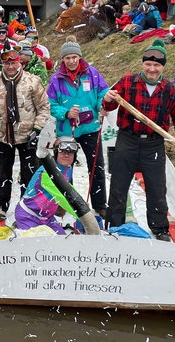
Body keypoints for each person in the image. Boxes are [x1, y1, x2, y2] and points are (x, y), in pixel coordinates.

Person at [101, 39, 175, 242]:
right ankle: (115, 225)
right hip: (127, 140)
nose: (152, 69)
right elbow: (110, 106)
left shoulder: (171, 89)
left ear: (162, 66)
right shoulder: (127, 81)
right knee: (119, 184)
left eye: (156, 65)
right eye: (148, 64)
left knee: (157, 186)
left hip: (154, 143)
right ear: (143, 64)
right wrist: (107, 99)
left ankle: (159, 228)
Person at [0, 46, 50, 222]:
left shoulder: (32, 81)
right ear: (2, 64)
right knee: (2, 171)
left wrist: (37, 128)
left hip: (28, 134)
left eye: (13, 63)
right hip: (4, 134)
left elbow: (44, 107)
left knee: (29, 171)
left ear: (19, 62)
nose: (10, 67)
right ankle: (0, 206)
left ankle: (26, 204)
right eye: (7, 63)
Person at [47, 38, 109, 217]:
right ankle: (65, 202)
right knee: (64, 167)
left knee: (97, 166)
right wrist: (66, 113)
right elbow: (50, 103)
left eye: (74, 57)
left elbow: (102, 94)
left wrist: (103, 105)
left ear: (80, 57)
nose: (72, 61)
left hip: (90, 128)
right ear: (63, 60)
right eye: (68, 58)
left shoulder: (93, 74)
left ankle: (100, 204)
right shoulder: (56, 79)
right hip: (67, 130)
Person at [14, 136, 100, 235]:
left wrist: (82, 203)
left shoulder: (68, 169)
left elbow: (69, 189)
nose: (66, 155)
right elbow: (62, 197)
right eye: (63, 152)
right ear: (56, 153)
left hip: (47, 218)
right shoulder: (47, 173)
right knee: (38, 245)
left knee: (62, 242)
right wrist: (83, 215)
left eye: (70, 153)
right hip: (28, 215)